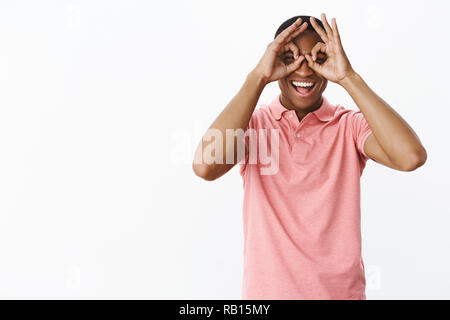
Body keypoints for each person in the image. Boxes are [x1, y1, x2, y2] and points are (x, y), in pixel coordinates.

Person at [192, 13, 427, 300]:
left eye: (316, 57)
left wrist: (348, 77)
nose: (304, 71)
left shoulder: (348, 126)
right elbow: (205, 166)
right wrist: (258, 77)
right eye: (291, 57)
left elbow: (411, 156)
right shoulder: (254, 126)